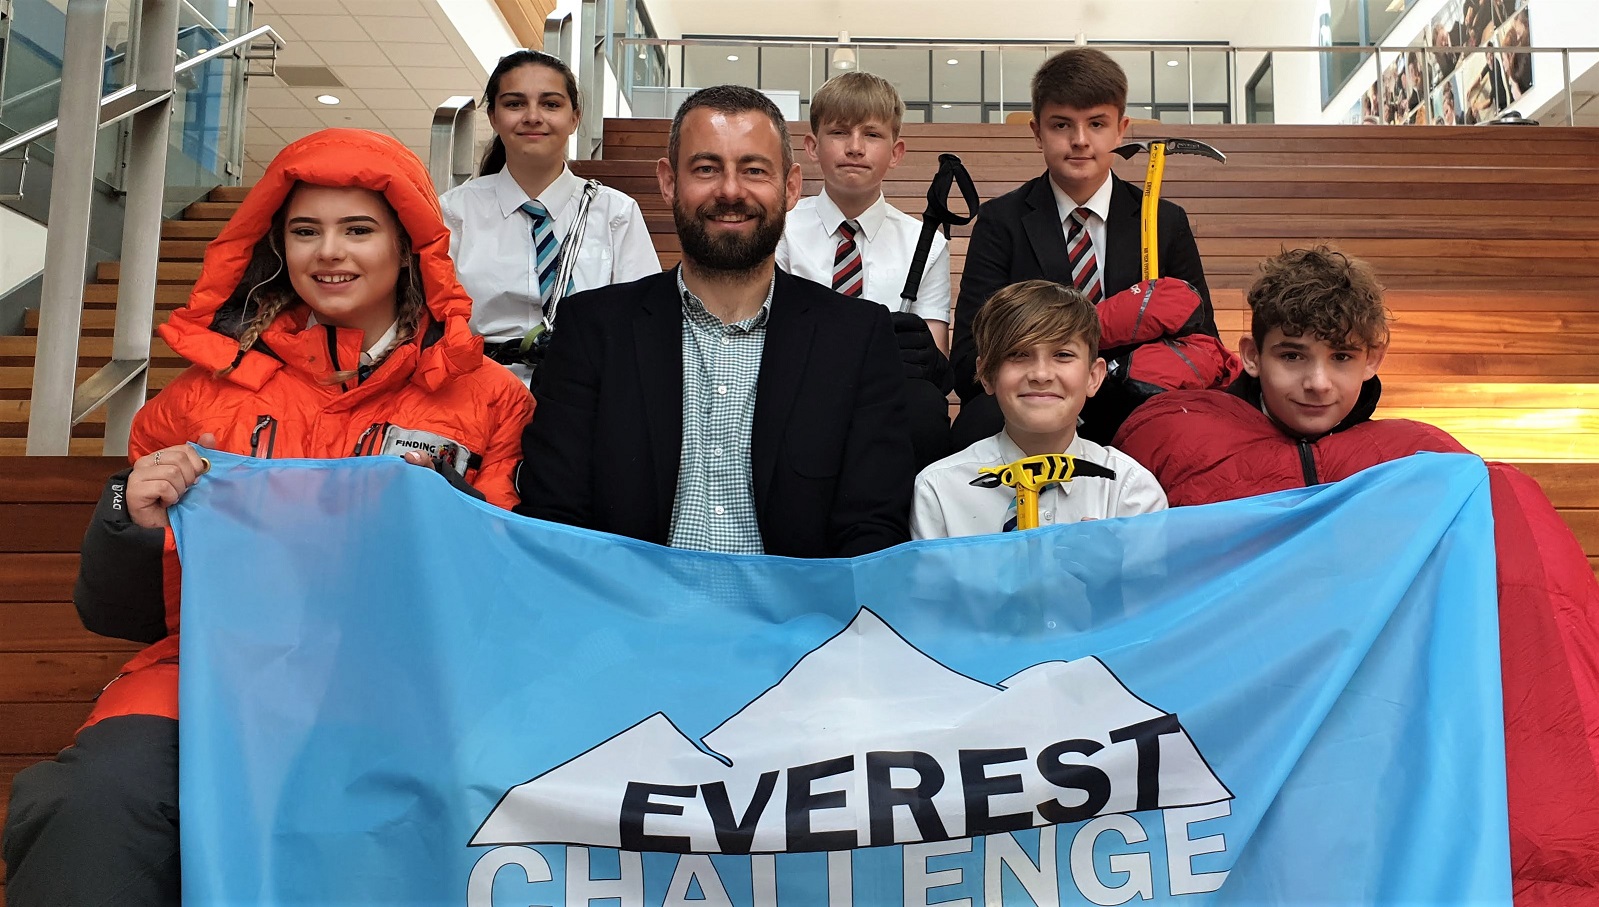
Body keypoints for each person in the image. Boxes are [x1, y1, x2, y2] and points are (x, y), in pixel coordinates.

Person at [0, 128, 534, 907]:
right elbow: (120, 613)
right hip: (211, 673)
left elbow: (502, 588)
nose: (330, 252)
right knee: (92, 802)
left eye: (358, 228)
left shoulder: (488, 399)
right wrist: (132, 516)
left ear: (411, 246)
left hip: (405, 685)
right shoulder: (195, 399)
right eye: (305, 230)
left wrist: (446, 518)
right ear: (276, 245)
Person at [1113, 245, 1599, 904]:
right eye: (1293, 355)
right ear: (1250, 354)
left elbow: (1512, 594)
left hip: (1375, 723)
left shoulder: (1424, 458)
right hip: (1232, 719)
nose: (1317, 382)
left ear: (1373, 357)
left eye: (1341, 358)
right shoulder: (1175, 434)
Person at [516, 85, 914, 557]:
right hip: (632, 618)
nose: (730, 191)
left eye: (754, 170)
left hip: (795, 623)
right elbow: (556, 517)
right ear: (668, 181)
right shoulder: (592, 331)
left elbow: (870, 530)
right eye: (706, 169)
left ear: (790, 188)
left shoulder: (858, 338)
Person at [949, 47, 1215, 450]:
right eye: (1061, 125)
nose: (1080, 141)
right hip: (1037, 400)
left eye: (1096, 124)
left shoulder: (1164, 221)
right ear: (1037, 131)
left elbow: (1202, 341)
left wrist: (1125, 374)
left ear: (1121, 129)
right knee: (976, 423)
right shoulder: (1000, 222)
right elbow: (971, 353)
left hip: (1137, 403)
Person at [440, 50, 660, 381]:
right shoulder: (453, 213)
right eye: (514, 104)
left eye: (551, 104)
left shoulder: (616, 212)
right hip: (476, 397)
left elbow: (643, 321)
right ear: (493, 117)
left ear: (575, 118)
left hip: (587, 396)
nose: (532, 116)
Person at [775, 71, 953, 468]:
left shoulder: (924, 245)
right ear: (812, 146)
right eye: (839, 132)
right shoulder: (779, 230)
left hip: (887, 396)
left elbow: (934, 357)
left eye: (872, 135)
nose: (855, 148)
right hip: (797, 389)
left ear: (896, 151)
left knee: (923, 409)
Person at [913, 280, 1165, 539]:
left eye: (1063, 355)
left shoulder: (1130, 490)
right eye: (1018, 354)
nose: (1041, 374)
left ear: (1093, 376)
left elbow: (1151, 578)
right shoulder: (939, 491)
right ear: (986, 374)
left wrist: (1113, 573)